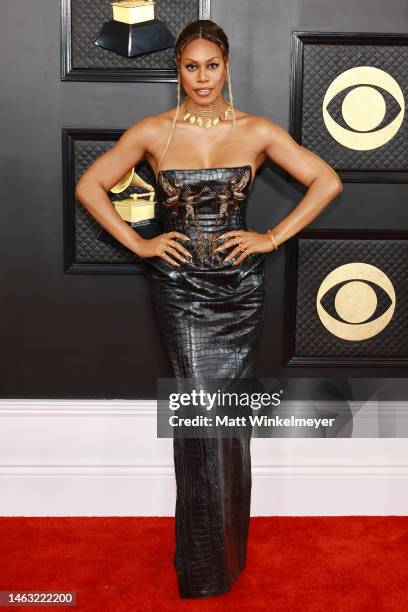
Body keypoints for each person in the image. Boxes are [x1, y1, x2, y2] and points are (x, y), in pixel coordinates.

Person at [75, 19, 342, 599]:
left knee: (227, 424)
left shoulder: (255, 131)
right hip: (181, 288)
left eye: (211, 65)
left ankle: (225, 556)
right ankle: (202, 568)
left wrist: (270, 237)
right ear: (178, 69)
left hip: (240, 288)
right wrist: (143, 243)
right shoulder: (153, 132)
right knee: (201, 420)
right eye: (191, 66)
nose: (202, 77)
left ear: (227, 67)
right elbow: (90, 186)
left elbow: (326, 180)